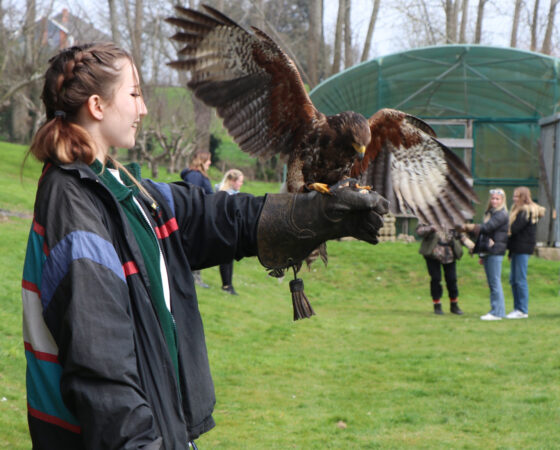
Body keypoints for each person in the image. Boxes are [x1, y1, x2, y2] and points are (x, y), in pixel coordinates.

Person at [21, 42, 388, 449]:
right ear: (97, 105)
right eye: (134, 93)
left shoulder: (126, 189)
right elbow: (104, 376)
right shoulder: (74, 207)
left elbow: (215, 217)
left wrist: (318, 216)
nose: (143, 110)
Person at [463, 188, 509, 321]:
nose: (494, 201)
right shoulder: (491, 213)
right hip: (489, 251)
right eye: (493, 198)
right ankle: (497, 310)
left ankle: (497, 312)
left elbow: (487, 228)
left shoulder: (501, 214)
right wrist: (481, 254)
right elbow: (485, 233)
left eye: (497, 199)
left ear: (502, 200)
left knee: (495, 282)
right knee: (492, 282)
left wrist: (469, 227)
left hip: (495, 251)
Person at [505, 187, 546, 319]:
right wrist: (510, 252)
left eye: (517, 196)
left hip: (523, 248)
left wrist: (505, 230)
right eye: (514, 196)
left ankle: (522, 309)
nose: (514, 199)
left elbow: (515, 229)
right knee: (513, 279)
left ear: (523, 197)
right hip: (516, 248)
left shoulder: (525, 212)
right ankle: (517, 308)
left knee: (520, 279)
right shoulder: (517, 210)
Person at [416, 224, 474, 315]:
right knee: (436, 279)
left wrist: (471, 245)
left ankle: (454, 305)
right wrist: (431, 228)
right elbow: (419, 231)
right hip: (433, 254)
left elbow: (460, 234)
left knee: (452, 279)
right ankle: (437, 305)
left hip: (450, 254)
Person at [180, 149, 213, 288]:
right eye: (208, 160)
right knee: (194, 247)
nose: (210, 163)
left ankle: (193, 278)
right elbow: (193, 196)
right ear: (202, 160)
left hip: (197, 215)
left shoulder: (197, 174)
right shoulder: (195, 176)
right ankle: (192, 279)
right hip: (195, 216)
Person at [215, 169, 244, 295]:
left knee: (228, 258)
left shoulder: (219, 190)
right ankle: (227, 285)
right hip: (226, 228)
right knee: (226, 258)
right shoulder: (228, 195)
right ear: (232, 181)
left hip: (226, 228)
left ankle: (228, 284)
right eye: (240, 181)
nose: (241, 184)